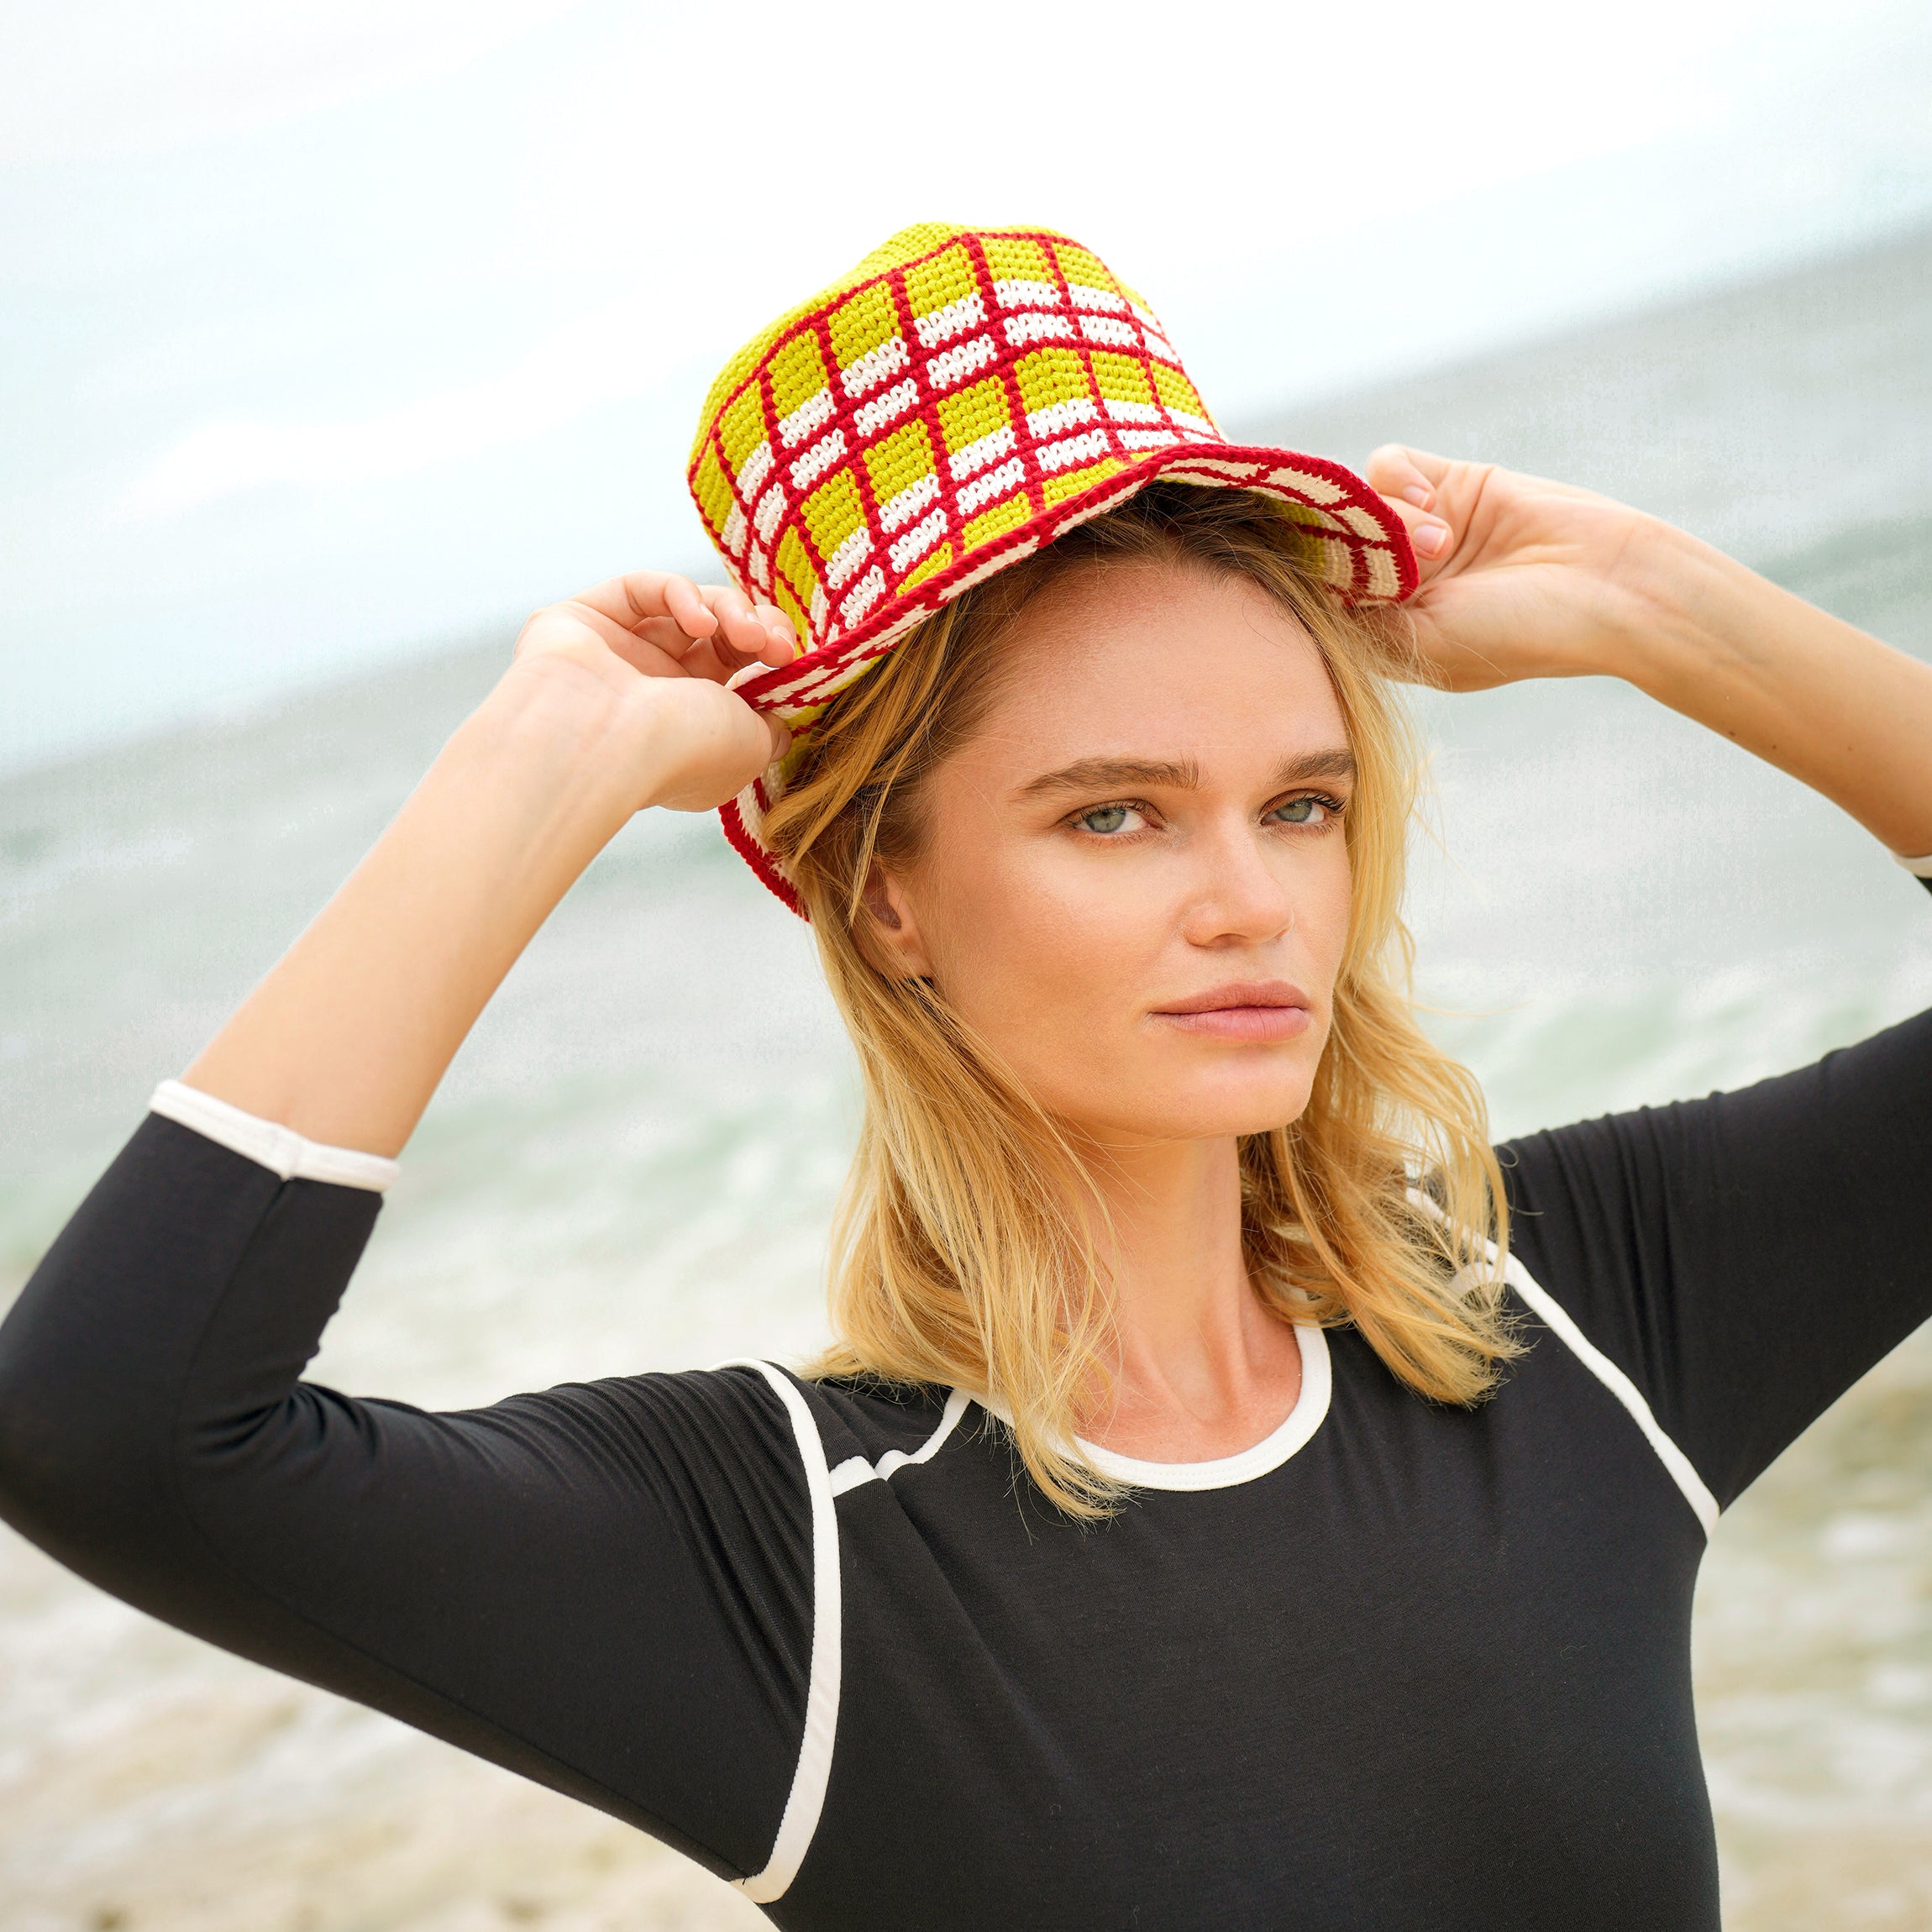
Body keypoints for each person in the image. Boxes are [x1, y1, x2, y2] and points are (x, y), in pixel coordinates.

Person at [1, 223, 1928, 1930]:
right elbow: (112, 1424)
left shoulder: (1563, 1321)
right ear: (887, 891)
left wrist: (1669, 609)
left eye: (1301, 800)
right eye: (1115, 815)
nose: (1252, 899)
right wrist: (544, 765)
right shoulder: (793, 1560)